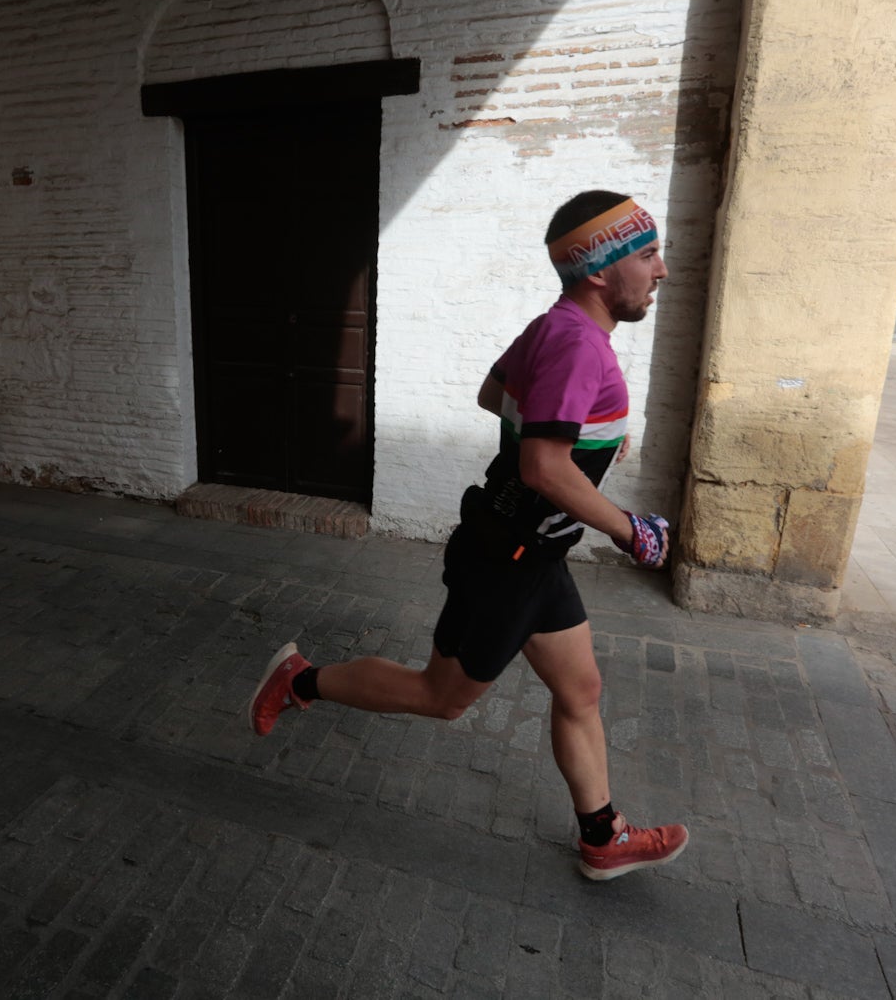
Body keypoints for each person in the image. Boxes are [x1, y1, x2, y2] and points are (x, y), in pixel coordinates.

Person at [248, 190, 687, 881]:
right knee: (441, 697)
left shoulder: (556, 327)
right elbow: (544, 467)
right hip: (506, 558)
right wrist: (632, 531)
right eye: (649, 254)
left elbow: (494, 394)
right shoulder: (578, 345)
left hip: (535, 554)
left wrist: (593, 437)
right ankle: (300, 679)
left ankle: (603, 836)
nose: (661, 269)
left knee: (581, 690)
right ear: (600, 269)